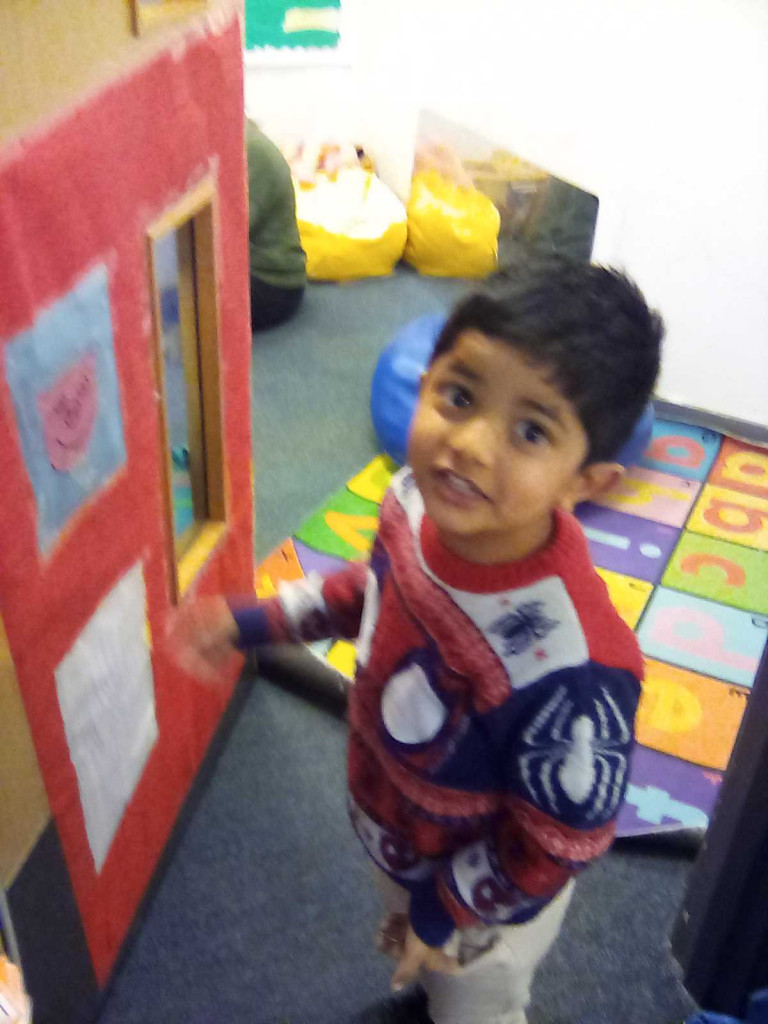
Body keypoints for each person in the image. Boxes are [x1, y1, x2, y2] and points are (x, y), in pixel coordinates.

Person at [169, 256, 663, 1024]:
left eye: (531, 431)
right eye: (458, 396)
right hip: (401, 834)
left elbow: (556, 840)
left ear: (585, 482)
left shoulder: (574, 667)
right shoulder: (411, 499)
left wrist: (439, 913)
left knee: (474, 1004)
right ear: (425, 380)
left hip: (485, 905)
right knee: (426, 973)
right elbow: (370, 592)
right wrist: (256, 621)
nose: (470, 445)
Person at [246, 120, 307, 334]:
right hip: (258, 269)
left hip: (274, 284)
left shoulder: (252, 151)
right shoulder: (245, 139)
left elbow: (230, 232)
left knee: (182, 304)